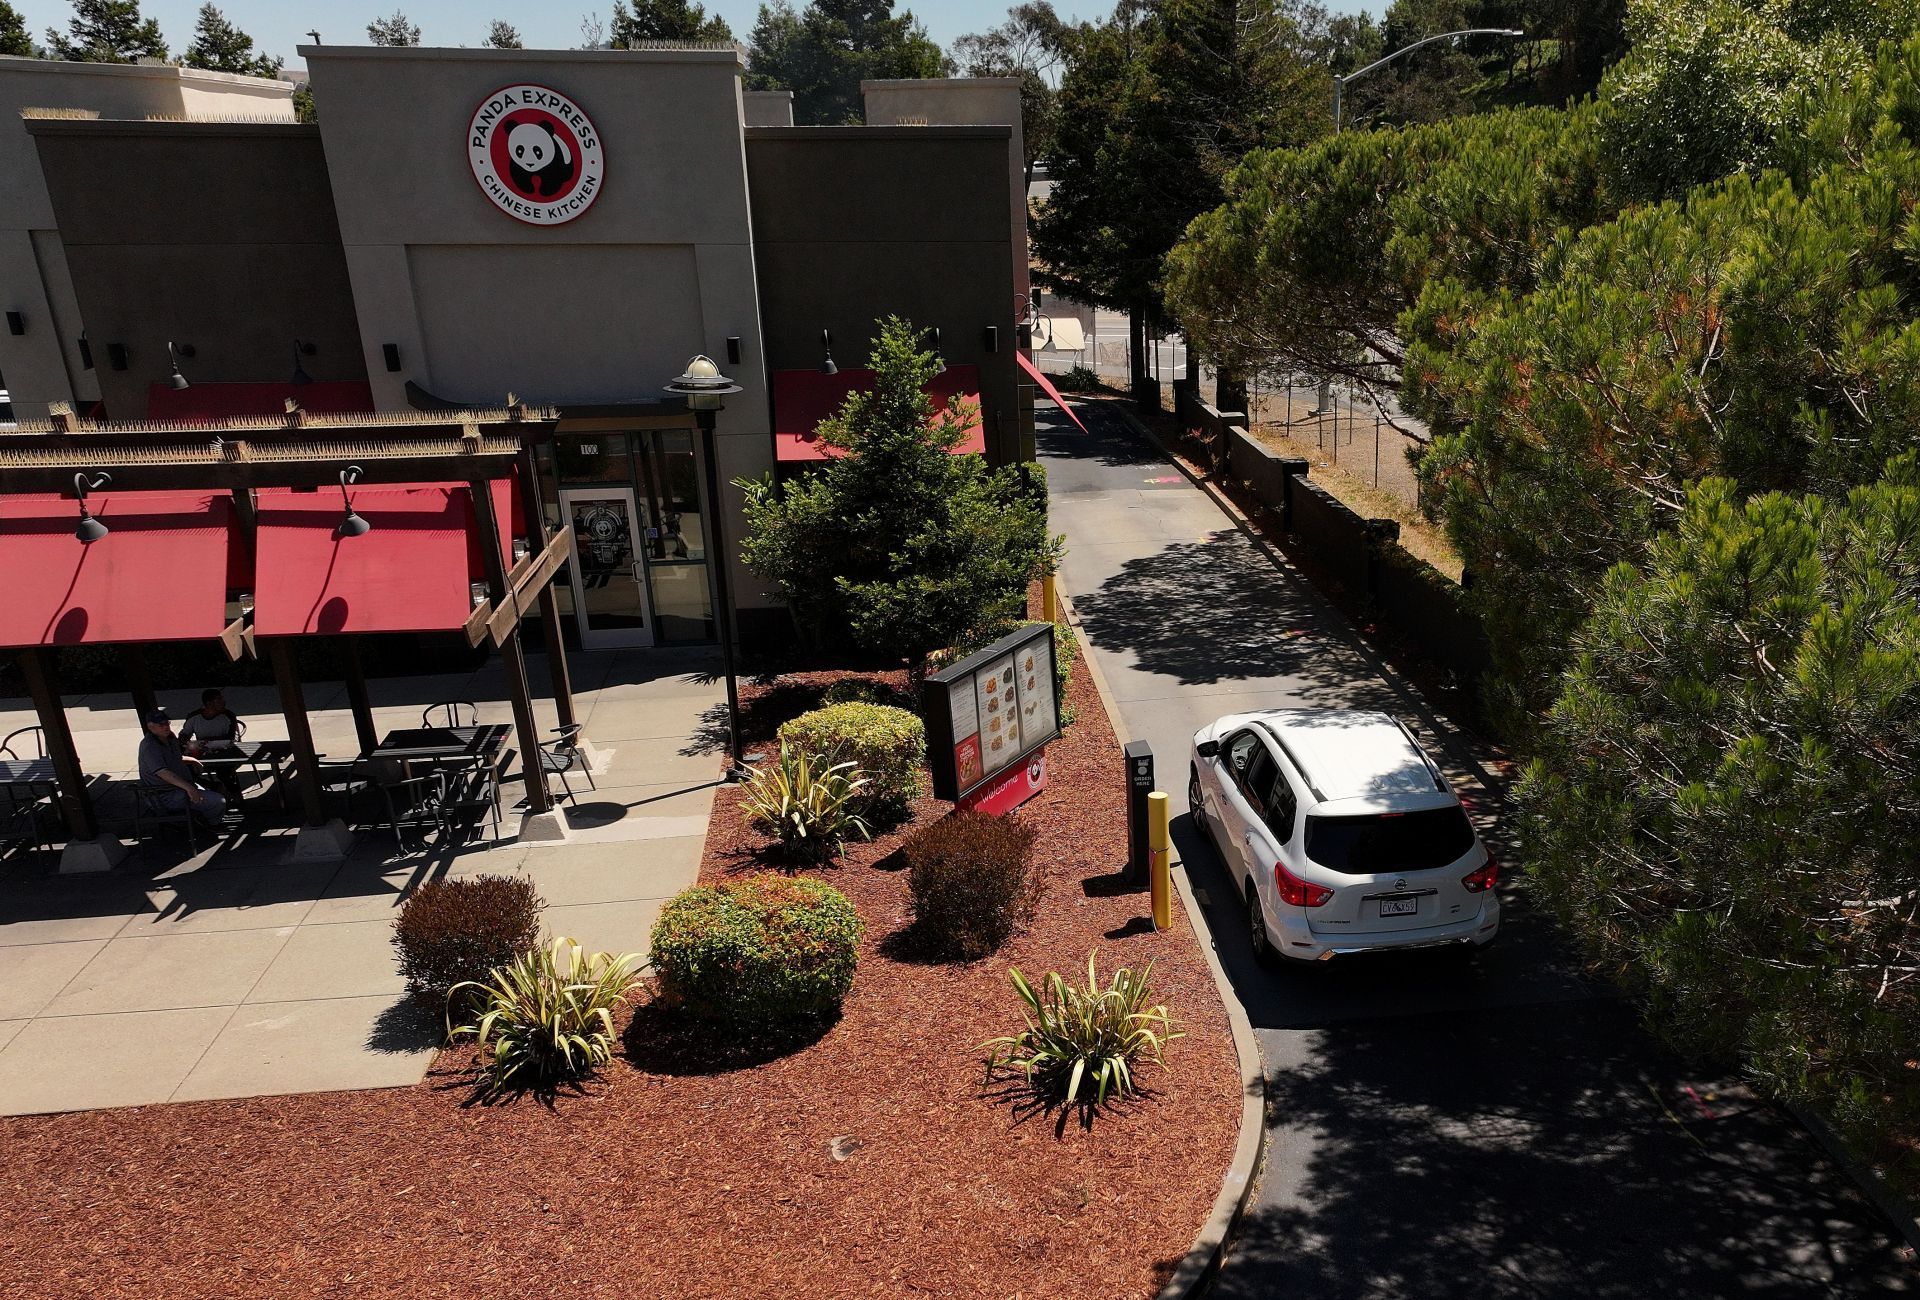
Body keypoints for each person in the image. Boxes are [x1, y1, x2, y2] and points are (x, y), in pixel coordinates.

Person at [138, 708, 227, 831]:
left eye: (167, 723)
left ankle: (201, 822)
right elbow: (163, 772)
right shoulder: (150, 747)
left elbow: (177, 757)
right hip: (165, 795)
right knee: (218, 801)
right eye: (161, 724)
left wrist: (193, 760)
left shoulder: (170, 738)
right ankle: (210, 826)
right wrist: (189, 788)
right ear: (151, 727)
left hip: (181, 788)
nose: (166, 727)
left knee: (219, 788)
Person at [178, 688, 241, 755]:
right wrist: (186, 742)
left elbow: (234, 738)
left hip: (226, 752)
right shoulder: (194, 717)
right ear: (209, 703)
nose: (223, 701)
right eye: (219, 699)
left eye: (222, 698)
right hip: (202, 754)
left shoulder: (229, 716)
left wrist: (210, 740)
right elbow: (184, 734)